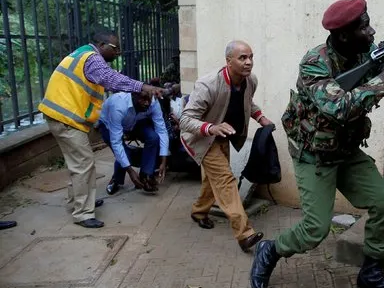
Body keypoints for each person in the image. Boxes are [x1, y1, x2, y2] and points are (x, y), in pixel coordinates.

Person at [249, 0, 384, 288]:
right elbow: (336, 107)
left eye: (368, 22)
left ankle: (371, 273)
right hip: (313, 155)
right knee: (316, 229)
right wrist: (382, 78)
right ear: (342, 35)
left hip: (347, 151)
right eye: (364, 26)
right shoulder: (315, 62)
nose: (371, 31)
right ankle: (270, 250)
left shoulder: (366, 53)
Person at [38, 29, 164, 228]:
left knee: (78, 164)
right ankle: (83, 213)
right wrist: (142, 87)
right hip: (65, 118)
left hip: (62, 117)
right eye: (115, 48)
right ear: (102, 45)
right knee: (84, 163)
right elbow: (112, 79)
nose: (118, 53)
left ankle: (78, 201)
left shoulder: (83, 56)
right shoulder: (92, 58)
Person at [179, 40, 273, 252]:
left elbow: (248, 102)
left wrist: (261, 118)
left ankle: (199, 212)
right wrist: (211, 128)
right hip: (202, 137)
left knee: (213, 180)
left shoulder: (250, 80)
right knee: (225, 180)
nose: (249, 62)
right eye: (242, 58)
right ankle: (244, 233)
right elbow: (185, 119)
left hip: (223, 136)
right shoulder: (208, 84)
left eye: (251, 57)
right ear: (228, 61)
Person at [97, 90, 170, 195]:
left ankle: (146, 175)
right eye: (143, 99)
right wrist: (130, 171)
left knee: (153, 138)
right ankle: (116, 179)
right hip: (108, 125)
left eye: (148, 99)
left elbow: (161, 130)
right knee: (124, 152)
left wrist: (163, 161)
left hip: (136, 121)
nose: (147, 103)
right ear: (133, 96)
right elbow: (116, 143)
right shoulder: (118, 105)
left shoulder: (153, 102)